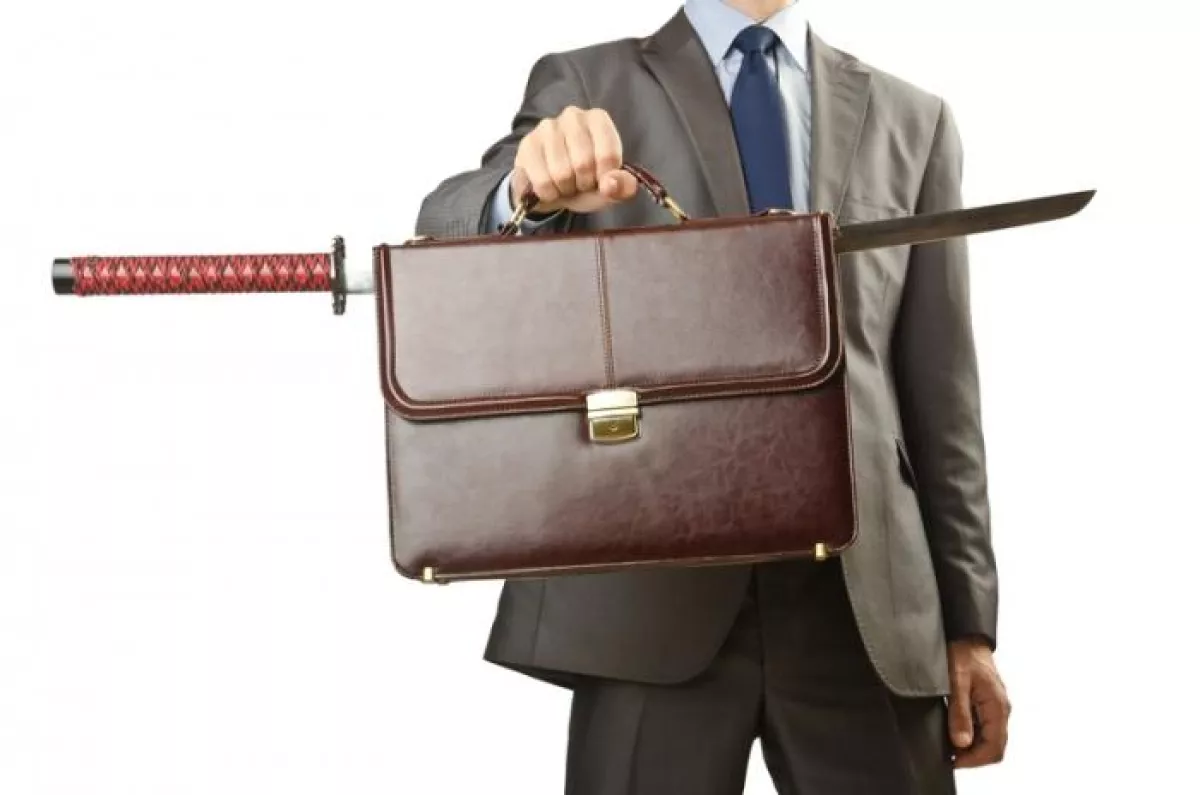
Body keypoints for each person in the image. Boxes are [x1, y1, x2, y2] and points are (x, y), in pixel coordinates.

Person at [414, 0, 1009, 792]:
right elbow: (445, 229)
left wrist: (969, 626)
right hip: (648, 586)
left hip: (865, 600)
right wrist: (525, 189)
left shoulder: (914, 120)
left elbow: (942, 393)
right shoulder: (589, 82)